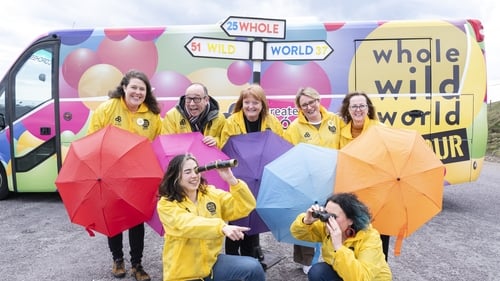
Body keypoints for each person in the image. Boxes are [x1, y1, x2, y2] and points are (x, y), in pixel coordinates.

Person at [87, 69, 164, 281]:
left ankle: (137, 264)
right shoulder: (107, 109)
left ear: (147, 92)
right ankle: (117, 259)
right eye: (134, 87)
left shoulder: (153, 114)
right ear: (124, 87)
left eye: (142, 89)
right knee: (114, 219)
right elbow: (93, 140)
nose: (138, 92)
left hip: (139, 176)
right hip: (111, 175)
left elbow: (158, 145)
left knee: (136, 220)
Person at [157, 153, 266, 281]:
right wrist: (221, 227)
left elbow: (245, 206)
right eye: (187, 172)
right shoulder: (166, 204)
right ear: (176, 177)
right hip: (183, 275)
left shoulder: (210, 193)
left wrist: (232, 181)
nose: (194, 176)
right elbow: (187, 224)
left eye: (196, 170)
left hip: (211, 264)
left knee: (254, 268)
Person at [220, 84, 284, 263]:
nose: (251, 106)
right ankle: (233, 260)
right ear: (241, 103)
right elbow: (225, 149)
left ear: (262, 104)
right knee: (236, 219)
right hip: (238, 177)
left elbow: (280, 148)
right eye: (247, 102)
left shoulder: (273, 122)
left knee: (254, 218)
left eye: (255, 102)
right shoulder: (232, 121)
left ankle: (251, 260)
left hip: (261, 178)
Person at [283, 86, 344, 274]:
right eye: (304, 105)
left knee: (332, 217)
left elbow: (343, 147)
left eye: (312, 102)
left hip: (334, 179)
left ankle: (334, 256)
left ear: (318, 100)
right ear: (299, 108)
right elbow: (290, 156)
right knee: (309, 218)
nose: (309, 107)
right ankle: (308, 260)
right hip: (308, 182)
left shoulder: (335, 121)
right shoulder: (295, 128)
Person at [290, 193, 392, 281]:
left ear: (351, 220)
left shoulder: (370, 238)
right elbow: (298, 234)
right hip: (343, 272)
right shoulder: (326, 227)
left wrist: (338, 246)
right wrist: (306, 221)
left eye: (333, 217)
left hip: (367, 278)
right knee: (317, 272)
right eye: (326, 214)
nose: (327, 220)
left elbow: (361, 278)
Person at [338, 91, 391, 261]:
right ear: (348, 110)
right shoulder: (342, 133)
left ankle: (379, 270)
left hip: (376, 189)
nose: (358, 109)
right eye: (354, 106)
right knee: (354, 232)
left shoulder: (380, 129)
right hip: (352, 191)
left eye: (362, 105)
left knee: (379, 230)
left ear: (368, 109)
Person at [163, 82, 226, 147]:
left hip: (210, 156)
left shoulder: (219, 118)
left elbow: (225, 141)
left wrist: (216, 141)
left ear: (206, 100)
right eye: (188, 99)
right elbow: (167, 143)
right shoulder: (171, 116)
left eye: (197, 99)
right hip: (183, 156)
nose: (192, 104)